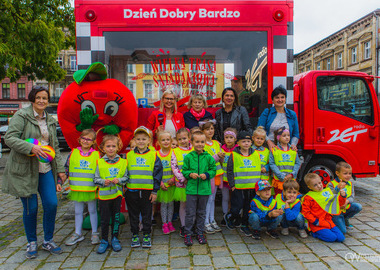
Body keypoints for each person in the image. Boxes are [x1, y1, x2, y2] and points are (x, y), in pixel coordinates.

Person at [3, 85, 66, 259]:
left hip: (45, 169)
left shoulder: (50, 120)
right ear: (33, 98)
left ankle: (48, 240)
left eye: (44, 98)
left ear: (48, 100)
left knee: (51, 204)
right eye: (38, 97)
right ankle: (31, 242)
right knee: (31, 208)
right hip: (25, 169)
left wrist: (60, 169)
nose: (41, 101)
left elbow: (54, 147)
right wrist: (31, 147)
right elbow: (9, 138)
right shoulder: (21, 116)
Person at [125, 126, 163, 248]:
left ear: (149, 141)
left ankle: (146, 234)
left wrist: (155, 191)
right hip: (132, 190)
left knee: (147, 214)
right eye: (138, 139)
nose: (141, 141)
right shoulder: (129, 155)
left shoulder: (154, 155)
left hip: (147, 191)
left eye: (144, 139)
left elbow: (157, 174)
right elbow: (125, 172)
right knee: (133, 214)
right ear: (134, 140)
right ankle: (135, 234)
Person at [65, 129, 101, 246]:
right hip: (77, 189)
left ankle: (95, 233)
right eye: (83, 138)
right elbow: (66, 168)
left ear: (93, 142)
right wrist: (60, 181)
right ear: (79, 139)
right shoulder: (73, 153)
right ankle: (77, 233)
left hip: (90, 188)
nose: (86, 141)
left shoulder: (96, 154)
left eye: (89, 139)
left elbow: (100, 171)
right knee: (78, 211)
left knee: (92, 210)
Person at [94, 134, 128, 254]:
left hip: (116, 195)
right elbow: (95, 179)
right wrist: (103, 182)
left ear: (118, 147)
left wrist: (119, 180)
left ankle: (115, 238)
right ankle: (104, 240)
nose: (111, 149)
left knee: (116, 218)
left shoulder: (123, 162)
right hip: (104, 196)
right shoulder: (100, 162)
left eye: (113, 146)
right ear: (103, 148)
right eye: (108, 146)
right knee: (104, 219)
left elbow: (126, 177)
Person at [182, 131, 216, 246]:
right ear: (191, 142)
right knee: (190, 213)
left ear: (205, 143)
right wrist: (190, 174)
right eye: (197, 142)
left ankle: (200, 232)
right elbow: (184, 170)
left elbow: (213, 170)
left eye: (202, 142)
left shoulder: (208, 157)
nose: (200, 144)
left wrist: (206, 174)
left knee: (202, 212)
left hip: (204, 190)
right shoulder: (188, 157)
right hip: (191, 190)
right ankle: (188, 233)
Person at [224, 131, 261, 237]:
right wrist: (232, 185)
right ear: (238, 143)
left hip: (252, 187)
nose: (246, 143)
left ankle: (244, 225)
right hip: (238, 187)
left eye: (248, 141)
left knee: (248, 207)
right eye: (243, 141)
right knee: (237, 207)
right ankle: (231, 216)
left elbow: (258, 170)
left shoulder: (256, 154)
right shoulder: (234, 155)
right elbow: (229, 170)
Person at [301, 173, 346, 242]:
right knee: (332, 238)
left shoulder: (327, 191)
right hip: (317, 224)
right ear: (309, 187)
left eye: (319, 183)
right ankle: (313, 233)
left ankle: (325, 232)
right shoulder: (308, 197)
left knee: (341, 238)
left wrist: (343, 197)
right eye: (315, 185)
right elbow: (305, 212)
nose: (319, 186)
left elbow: (337, 203)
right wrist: (315, 221)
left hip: (328, 221)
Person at [257, 85, 299, 151]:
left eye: (282, 97)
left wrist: (293, 144)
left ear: (285, 99)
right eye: (277, 97)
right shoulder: (267, 112)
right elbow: (259, 129)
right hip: (268, 148)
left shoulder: (292, 114)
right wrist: (268, 142)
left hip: (286, 149)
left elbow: (295, 134)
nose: (280, 100)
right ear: (273, 99)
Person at [201, 121, 224, 234]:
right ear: (202, 132)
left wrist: (222, 156)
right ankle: (205, 222)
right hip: (208, 175)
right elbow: (205, 161)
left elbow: (221, 159)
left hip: (216, 175)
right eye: (207, 129)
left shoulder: (216, 143)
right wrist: (216, 156)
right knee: (208, 199)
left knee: (213, 199)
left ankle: (212, 219)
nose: (210, 131)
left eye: (212, 128)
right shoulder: (202, 144)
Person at [329, 162, 362, 234]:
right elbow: (330, 197)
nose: (348, 176)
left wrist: (346, 201)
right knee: (343, 231)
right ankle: (333, 220)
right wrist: (337, 187)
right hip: (335, 211)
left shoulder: (350, 184)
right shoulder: (331, 184)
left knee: (358, 206)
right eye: (345, 173)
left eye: (350, 173)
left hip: (345, 207)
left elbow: (351, 197)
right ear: (337, 173)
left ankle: (345, 218)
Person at [171, 128, 193, 237]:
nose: (183, 141)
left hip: (194, 183)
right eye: (180, 139)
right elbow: (174, 167)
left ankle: (192, 225)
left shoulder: (194, 149)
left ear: (189, 138)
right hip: (182, 183)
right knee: (183, 205)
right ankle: (183, 226)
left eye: (184, 138)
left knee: (193, 205)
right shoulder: (175, 151)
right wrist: (183, 179)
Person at [269, 127, 301, 195]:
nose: (287, 137)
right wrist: (281, 176)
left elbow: (297, 163)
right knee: (279, 198)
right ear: (278, 138)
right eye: (284, 136)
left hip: (291, 180)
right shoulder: (274, 150)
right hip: (279, 180)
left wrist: (292, 174)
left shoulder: (293, 150)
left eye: (288, 135)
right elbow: (272, 164)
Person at [156, 131, 176, 234]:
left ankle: (170, 222)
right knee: (164, 204)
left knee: (171, 204)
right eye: (163, 140)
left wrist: (173, 179)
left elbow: (176, 168)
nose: (166, 141)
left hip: (171, 183)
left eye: (168, 139)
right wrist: (160, 183)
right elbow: (155, 171)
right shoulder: (157, 154)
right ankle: (164, 223)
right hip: (162, 184)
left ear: (171, 141)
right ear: (159, 142)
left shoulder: (174, 153)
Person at [220, 128, 238, 226]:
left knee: (235, 198)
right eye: (227, 137)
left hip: (235, 178)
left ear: (235, 139)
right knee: (226, 198)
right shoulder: (221, 149)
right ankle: (225, 215)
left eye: (231, 137)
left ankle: (234, 216)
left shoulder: (238, 149)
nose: (229, 139)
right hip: (225, 177)